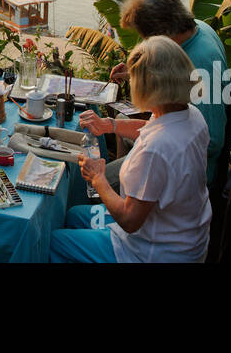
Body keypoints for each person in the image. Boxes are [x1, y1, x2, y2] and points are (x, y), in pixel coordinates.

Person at [50, 36, 211, 262]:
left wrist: (98, 178)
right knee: (75, 215)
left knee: (54, 242)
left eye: (135, 78)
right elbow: (150, 126)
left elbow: (129, 220)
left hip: (152, 252)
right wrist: (110, 125)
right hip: (183, 233)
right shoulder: (190, 115)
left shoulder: (156, 149)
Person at [80, 0, 228, 185]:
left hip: (185, 171)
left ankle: (120, 199)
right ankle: (125, 177)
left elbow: (211, 141)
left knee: (93, 179)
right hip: (167, 137)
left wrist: (148, 149)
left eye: (146, 39)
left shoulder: (200, 64)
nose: (145, 43)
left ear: (162, 34)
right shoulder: (197, 28)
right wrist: (136, 71)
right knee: (122, 118)